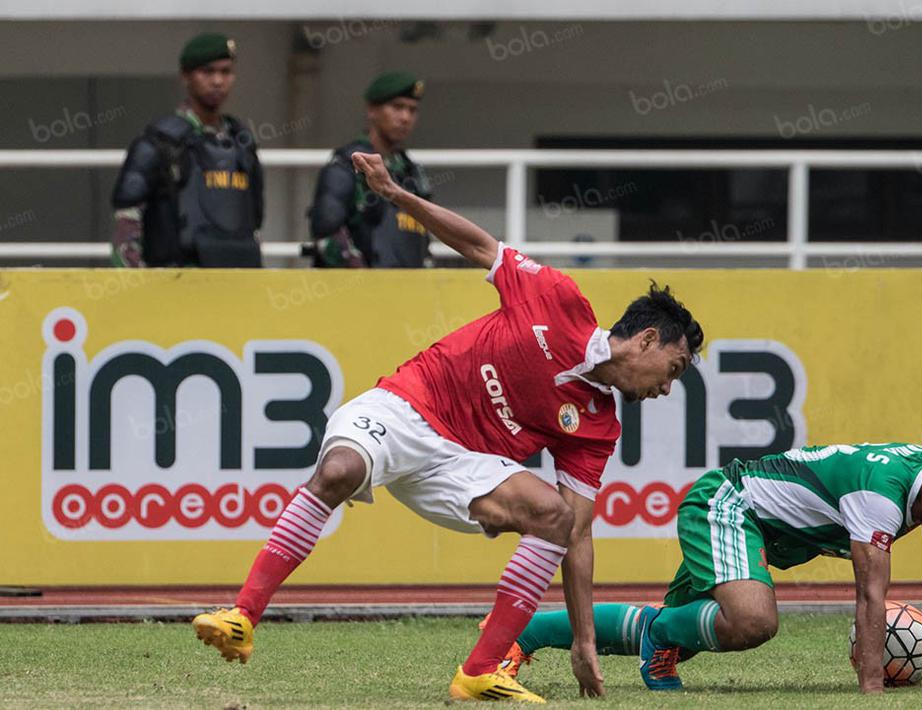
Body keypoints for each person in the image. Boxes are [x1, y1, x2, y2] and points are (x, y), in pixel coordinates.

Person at [191, 150, 704, 703]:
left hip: (462, 465)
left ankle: (480, 671)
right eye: (672, 371)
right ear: (648, 340)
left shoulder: (599, 425)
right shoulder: (557, 298)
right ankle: (243, 616)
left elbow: (577, 533)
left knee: (554, 516)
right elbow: (479, 245)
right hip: (410, 404)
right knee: (339, 469)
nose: (665, 389)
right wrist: (395, 194)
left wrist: (583, 640)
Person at [494, 442, 922, 695]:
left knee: (691, 626)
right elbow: (870, 599)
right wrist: (873, 684)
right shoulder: (880, 498)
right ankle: (662, 634)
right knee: (753, 621)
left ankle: (528, 634)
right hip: (730, 504)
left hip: (760, 528)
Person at [110, 32, 263, 268]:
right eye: (207, 72)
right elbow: (127, 227)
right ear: (185, 76)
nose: (218, 81)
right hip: (174, 285)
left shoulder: (240, 142)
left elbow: (252, 222)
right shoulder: (160, 143)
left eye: (225, 72)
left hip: (234, 284)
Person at [306, 71, 433, 268]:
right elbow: (326, 233)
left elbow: (423, 241)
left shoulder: (412, 172)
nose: (406, 117)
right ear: (372, 110)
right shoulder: (347, 164)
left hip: (410, 291)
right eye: (397, 107)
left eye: (412, 110)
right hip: (362, 292)